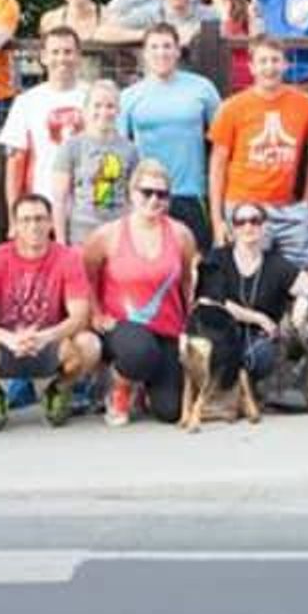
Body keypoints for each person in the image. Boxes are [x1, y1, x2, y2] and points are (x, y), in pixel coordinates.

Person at [0, 193, 99, 431]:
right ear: (14, 225)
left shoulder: (68, 258)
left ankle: (59, 389)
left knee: (90, 344)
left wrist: (47, 336)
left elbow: (80, 315)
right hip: (5, 344)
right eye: (25, 220)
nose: (33, 226)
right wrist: (8, 339)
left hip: (50, 343)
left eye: (39, 219)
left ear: (50, 223)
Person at [82, 160, 197, 426]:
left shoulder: (181, 235)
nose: (154, 200)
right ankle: (119, 387)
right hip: (123, 326)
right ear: (132, 193)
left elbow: (188, 283)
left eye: (162, 194)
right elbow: (86, 277)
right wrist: (96, 315)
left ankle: (144, 388)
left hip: (167, 328)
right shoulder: (107, 235)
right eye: (147, 192)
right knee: (141, 352)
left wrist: (191, 324)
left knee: (171, 411)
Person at [207, 35, 308, 280]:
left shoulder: (305, 105)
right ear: (251, 67)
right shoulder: (233, 107)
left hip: (288, 209)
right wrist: (218, 220)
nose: (269, 67)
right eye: (263, 61)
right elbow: (217, 165)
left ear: (286, 64)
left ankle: (298, 317)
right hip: (243, 208)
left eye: (275, 60)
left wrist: (307, 200)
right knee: (245, 277)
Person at [191, 203, 308, 413]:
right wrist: (258, 318)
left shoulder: (276, 264)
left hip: (257, 342)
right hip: (221, 334)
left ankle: (246, 391)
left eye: (255, 221)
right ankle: (234, 393)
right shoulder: (218, 257)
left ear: (264, 227)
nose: (248, 227)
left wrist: (303, 301)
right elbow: (209, 299)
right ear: (232, 229)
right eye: (240, 222)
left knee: (263, 354)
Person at [117, 23, 222, 244]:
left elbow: (221, 143)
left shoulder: (202, 89)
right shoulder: (129, 96)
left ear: (177, 51)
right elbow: (119, 148)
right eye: (154, 47)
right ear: (144, 54)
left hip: (191, 192)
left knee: (194, 262)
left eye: (167, 46)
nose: (161, 53)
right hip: (147, 193)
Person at [0, 26, 89, 211]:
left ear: (78, 56)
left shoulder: (94, 97)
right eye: (55, 52)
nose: (61, 58)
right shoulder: (27, 102)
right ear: (44, 57)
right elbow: (16, 161)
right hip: (41, 204)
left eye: (68, 52)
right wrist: (12, 214)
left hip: (87, 206)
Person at [53, 80, 139, 247]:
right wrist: (60, 241)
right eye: (97, 105)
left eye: (110, 106)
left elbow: (134, 198)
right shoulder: (72, 146)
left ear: (118, 110)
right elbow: (60, 200)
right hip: (81, 236)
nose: (104, 112)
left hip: (119, 235)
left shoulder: (130, 149)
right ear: (86, 110)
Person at [199, 0, 259, 93]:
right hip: (208, 86)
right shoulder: (197, 11)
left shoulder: (249, 10)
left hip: (244, 85)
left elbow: (256, 47)